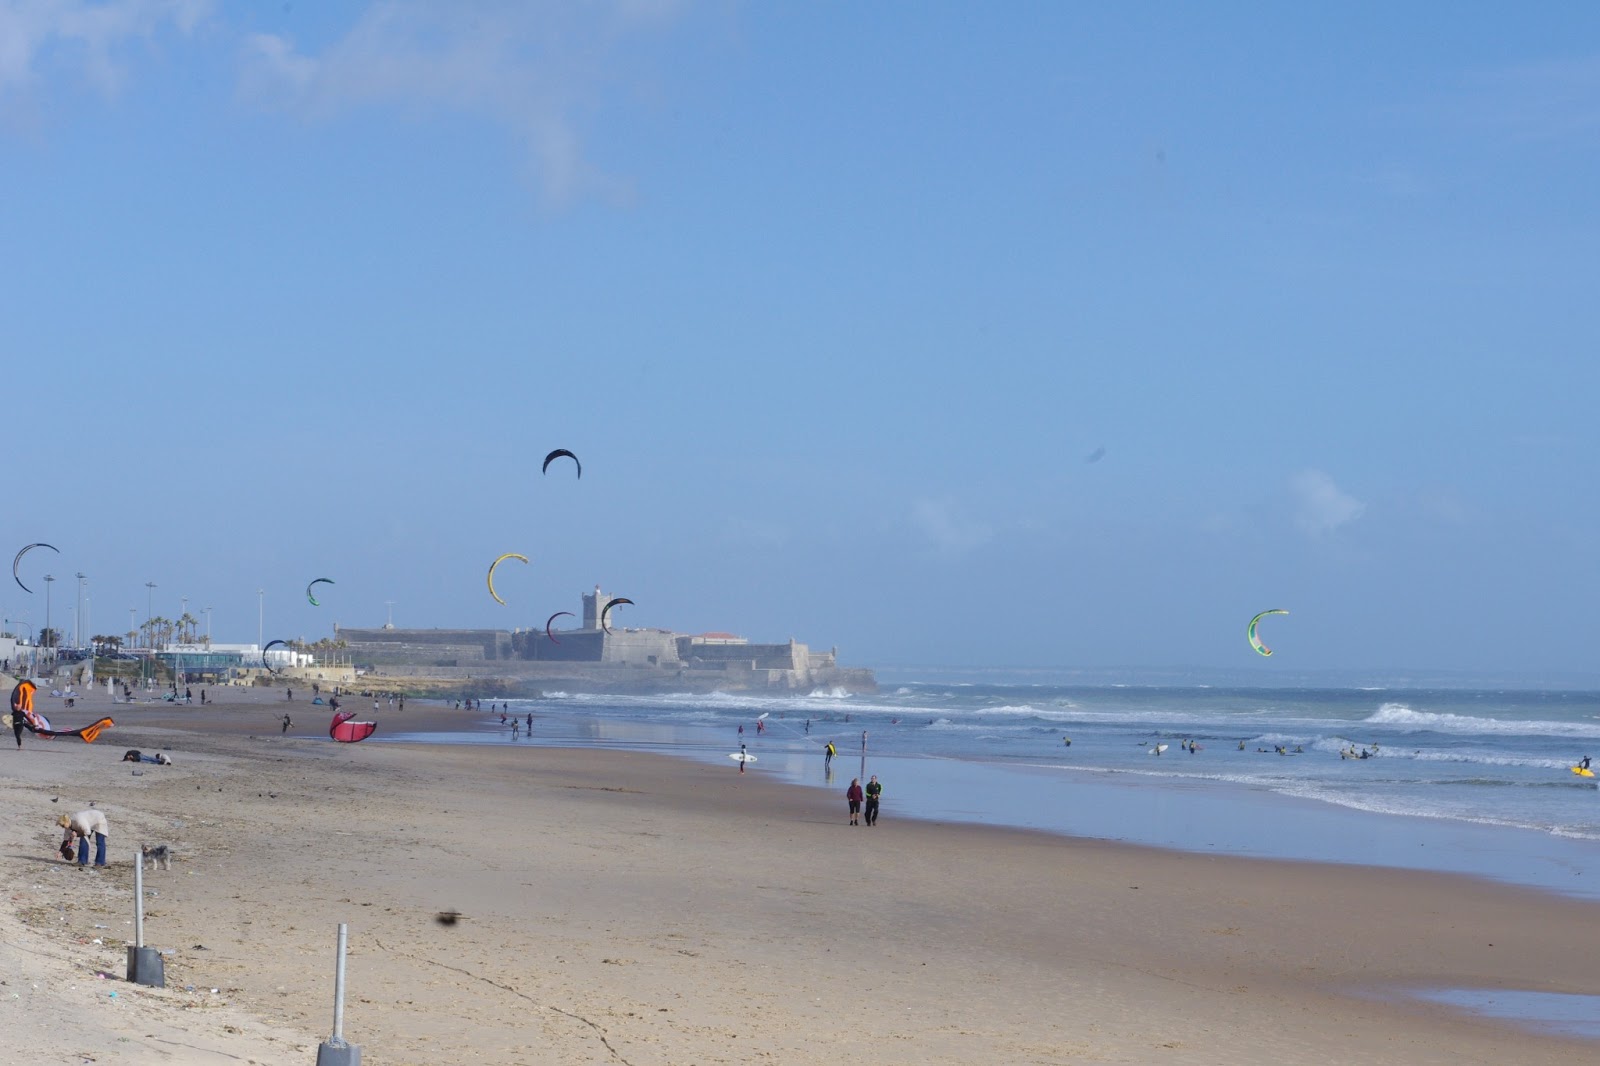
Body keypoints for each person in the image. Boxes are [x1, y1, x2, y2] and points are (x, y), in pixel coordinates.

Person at [10, 678, 37, 748]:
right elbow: (10, 719)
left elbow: (28, 718)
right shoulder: (14, 713)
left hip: (20, 724)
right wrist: (9, 726)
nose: (17, 708)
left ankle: (20, 746)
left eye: (18, 707)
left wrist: (33, 723)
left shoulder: (22, 713)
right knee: (16, 735)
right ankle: (19, 744)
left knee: (18, 734)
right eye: (17, 707)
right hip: (15, 725)